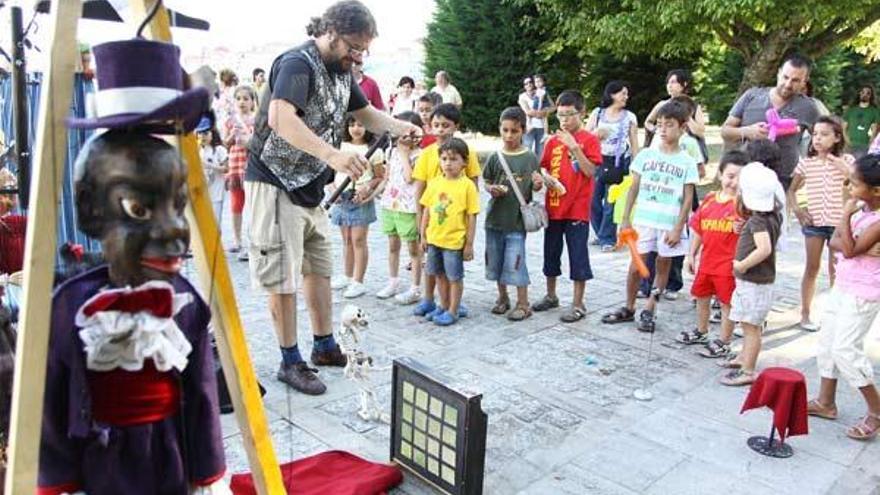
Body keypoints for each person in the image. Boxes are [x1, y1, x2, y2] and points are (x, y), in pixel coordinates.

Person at [245, 1, 421, 395]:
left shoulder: (342, 71)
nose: (358, 57)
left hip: (308, 185)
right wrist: (334, 155)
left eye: (364, 50)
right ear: (330, 32)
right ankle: (290, 361)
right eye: (353, 47)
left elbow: (367, 114)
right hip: (273, 182)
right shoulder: (297, 63)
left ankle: (324, 345)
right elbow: (281, 118)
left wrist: (399, 127)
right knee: (282, 277)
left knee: (318, 268)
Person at [601, 100, 697, 333]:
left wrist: (677, 227)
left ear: (682, 127)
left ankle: (651, 308)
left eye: (670, 125)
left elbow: (687, 198)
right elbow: (633, 188)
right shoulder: (645, 156)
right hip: (644, 220)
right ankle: (629, 306)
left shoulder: (686, 162)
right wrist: (625, 218)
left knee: (662, 267)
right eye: (660, 125)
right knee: (636, 266)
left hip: (668, 223)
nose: (663, 130)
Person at [806, 153, 880, 440]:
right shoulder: (862, 208)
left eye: (855, 183)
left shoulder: (871, 217)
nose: (850, 187)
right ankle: (826, 401)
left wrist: (846, 218)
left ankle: (875, 410)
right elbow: (837, 242)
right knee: (827, 342)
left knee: (845, 349)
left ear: (875, 190)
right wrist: (850, 237)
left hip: (865, 291)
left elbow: (846, 248)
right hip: (844, 283)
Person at [531, 90, 602, 322]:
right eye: (560, 115)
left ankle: (578, 302)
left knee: (578, 254)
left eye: (569, 115)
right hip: (554, 207)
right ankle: (551, 295)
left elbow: (591, 171)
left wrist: (574, 147)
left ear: (581, 113)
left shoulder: (589, 140)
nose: (564, 120)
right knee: (551, 253)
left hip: (577, 209)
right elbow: (542, 168)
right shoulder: (552, 140)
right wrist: (542, 179)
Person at [411, 103, 481, 318]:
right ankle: (430, 300)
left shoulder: (465, 151)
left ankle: (452, 305)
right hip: (433, 220)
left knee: (451, 272)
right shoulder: (426, 154)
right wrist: (419, 218)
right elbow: (420, 187)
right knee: (432, 268)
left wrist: (469, 239)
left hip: (454, 224)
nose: (440, 129)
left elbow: (474, 182)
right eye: (436, 125)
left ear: (455, 126)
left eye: (445, 125)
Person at [678, 151, 748, 357]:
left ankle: (724, 341)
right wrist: (691, 254)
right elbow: (698, 229)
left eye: (740, 178)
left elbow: (756, 234)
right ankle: (701, 331)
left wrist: (744, 228)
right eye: (730, 176)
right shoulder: (709, 199)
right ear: (720, 175)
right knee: (701, 296)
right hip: (706, 262)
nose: (734, 182)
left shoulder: (745, 206)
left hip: (728, 266)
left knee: (727, 303)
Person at [787, 116, 853, 331]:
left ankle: (835, 315)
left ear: (836, 138)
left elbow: (858, 184)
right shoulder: (806, 163)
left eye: (824, 135)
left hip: (839, 224)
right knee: (811, 267)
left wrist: (844, 168)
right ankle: (805, 314)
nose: (817, 139)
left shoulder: (847, 161)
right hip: (815, 222)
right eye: (815, 134)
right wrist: (798, 210)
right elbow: (792, 190)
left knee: (837, 269)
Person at [719, 162, 782, 386]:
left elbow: (764, 249)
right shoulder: (771, 216)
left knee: (751, 327)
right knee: (747, 323)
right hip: (755, 282)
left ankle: (748, 370)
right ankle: (743, 357)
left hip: (754, 281)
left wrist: (743, 264)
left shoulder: (758, 221)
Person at [721, 54, 820, 192]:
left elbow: (823, 138)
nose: (788, 84)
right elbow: (725, 131)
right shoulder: (752, 96)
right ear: (779, 73)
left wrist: (808, 169)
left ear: (805, 81)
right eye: (785, 77)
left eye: (795, 80)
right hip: (745, 176)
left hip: (783, 181)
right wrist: (748, 131)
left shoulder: (808, 107)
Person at [641, 94, 707, 300]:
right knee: (651, 249)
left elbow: (700, 171)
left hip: (680, 200)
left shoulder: (691, 145)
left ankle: (673, 283)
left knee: (674, 245)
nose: (664, 128)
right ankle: (647, 284)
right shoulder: (656, 141)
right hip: (657, 201)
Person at [482, 107, 544, 321]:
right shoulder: (494, 157)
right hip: (494, 219)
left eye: (514, 131)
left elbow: (535, 186)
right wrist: (491, 189)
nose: (509, 136)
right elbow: (487, 181)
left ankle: (523, 303)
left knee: (516, 261)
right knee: (496, 261)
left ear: (523, 131)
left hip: (517, 222)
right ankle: (502, 297)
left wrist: (537, 184)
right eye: (505, 130)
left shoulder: (530, 157)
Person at [329, 115, 385, 298]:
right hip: (341, 196)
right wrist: (332, 188)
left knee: (358, 240)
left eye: (361, 124)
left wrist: (366, 188)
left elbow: (379, 176)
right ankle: (347, 275)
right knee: (346, 239)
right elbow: (330, 172)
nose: (356, 128)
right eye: (352, 124)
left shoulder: (374, 151)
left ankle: (358, 280)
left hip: (360, 198)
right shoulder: (340, 146)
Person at [586, 80, 640, 251]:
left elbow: (634, 142)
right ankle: (601, 233)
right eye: (622, 93)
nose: (626, 97)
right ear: (612, 94)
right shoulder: (598, 113)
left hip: (617, 163)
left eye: (626, 93)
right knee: (592, 200)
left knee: (611, 202)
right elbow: (585, 137)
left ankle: (607, 239)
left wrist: (636, 164)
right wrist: (596, 135)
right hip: (596, 161)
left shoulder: (629, 117)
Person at [377, 111, 424, 304]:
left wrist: (405, 154)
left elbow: (409, 177)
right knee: (392, 245)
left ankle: (415, 287)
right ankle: (393, 281)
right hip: (390, 204)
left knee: (413, 249)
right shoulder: (391, 152)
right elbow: (387, 178)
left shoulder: (420, 156)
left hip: (408, 207)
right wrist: (370, 195)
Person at [223, 85, 257, 259]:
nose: (242, 102)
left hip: (251, 166)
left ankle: (253, 240)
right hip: (235, 167)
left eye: (246, 98)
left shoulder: (257, 119)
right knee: (236, 205)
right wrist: (231, 135)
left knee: (253, 205)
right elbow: (225, 143)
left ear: (253, 101)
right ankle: (237, 240)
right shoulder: (231, 121)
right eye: (239, 98)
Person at [645, 69, 707, 143]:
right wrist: (656, 131)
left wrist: (687, 117)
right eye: (668, 83)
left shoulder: (694, 106)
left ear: (684, 84)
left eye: (673, 82)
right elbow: (648, 122)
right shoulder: (662, 104)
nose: (669, 86)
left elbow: (700, 132)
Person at [196, 116, 229, 224]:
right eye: (200, 133)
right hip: (201, 194)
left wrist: (209, 165)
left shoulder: (219, 150)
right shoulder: (197, 151)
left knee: (216, 224)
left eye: (205, 133)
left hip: (216, 193)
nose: (202, 136)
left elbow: (226, 168)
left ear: (212, 133)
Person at [518, 76, 552, 159]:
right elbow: (528, 111)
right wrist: (541, 114)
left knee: (540, 152)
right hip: (529, 127)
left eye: (530, 82)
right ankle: (525, 170)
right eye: (526, 83)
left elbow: (553, 106)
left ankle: (537, 170)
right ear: (524, 86)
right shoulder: (522, 96)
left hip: (541, 128)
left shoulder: (542, 92)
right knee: (526, 150)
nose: (528, 84)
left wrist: (545, 111)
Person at [843, 85, 880, 158]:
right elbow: (843, 128)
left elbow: (874, 130)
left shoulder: (875, 111)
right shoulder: (850, 110)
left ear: (871, 96)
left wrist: (870, 144)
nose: (865, 95)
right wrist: (847, 142)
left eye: (868, 93)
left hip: (864, 146)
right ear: (859, 93)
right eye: (863, 92)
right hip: (849, 146)